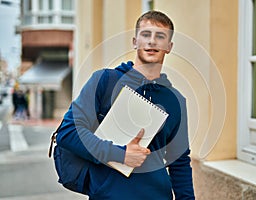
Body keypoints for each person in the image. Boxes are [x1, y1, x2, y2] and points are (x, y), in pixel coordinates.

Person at [56, 10, 195, 199]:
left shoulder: (176, 101)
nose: (152, 41)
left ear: (169, 46)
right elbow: (68, 133)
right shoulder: (104, 81)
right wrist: (120, 154)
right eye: (146, 34)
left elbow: (179, 163)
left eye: (160, 36)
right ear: (135, 41)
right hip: (108, 195)